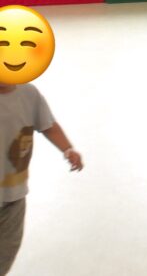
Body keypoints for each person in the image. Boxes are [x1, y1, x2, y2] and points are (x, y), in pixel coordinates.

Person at [1, 82, 83, 275]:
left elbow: (49, 125)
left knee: (5, 253)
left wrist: (67, 149)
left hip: (14, 196)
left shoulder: (29, 94)